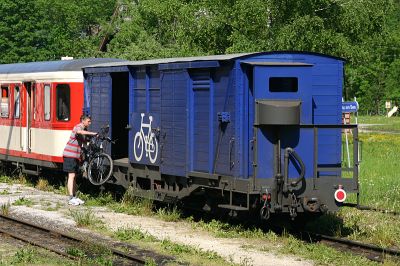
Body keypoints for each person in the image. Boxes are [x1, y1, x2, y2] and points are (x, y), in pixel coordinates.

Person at [63, 114, 97, 205]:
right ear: (83, 120)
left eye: (90, 121)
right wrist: (93, 133)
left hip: (75, 156)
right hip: (69, 155)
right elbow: (80, 132)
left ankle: (74, 196)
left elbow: (85, 141)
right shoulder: (78, 127)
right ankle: (70, 198)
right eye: (88, 121)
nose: (89, 123)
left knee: (74, 178)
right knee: (71, 176)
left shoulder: (84, 130)